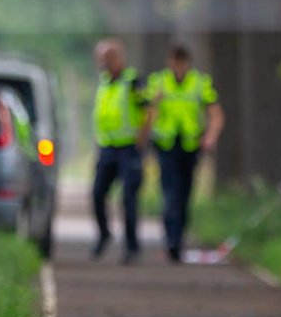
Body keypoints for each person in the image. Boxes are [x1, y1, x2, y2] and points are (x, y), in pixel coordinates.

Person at [147, 44, 224, 262]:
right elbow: (149, 112)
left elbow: (216, 113)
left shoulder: (200, 83)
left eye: (181, 63)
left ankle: (178, 238)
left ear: (187, 63)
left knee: (184, 193)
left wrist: (210, 136)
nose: (178, 67)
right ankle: (171, 239)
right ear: (169, 62)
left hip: (190, 145)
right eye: (174, 62)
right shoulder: (158, 82)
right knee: (170, 192)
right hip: (166, 145)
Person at [91, 38, 150, 263]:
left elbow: (148, 110)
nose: (102, 63)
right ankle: (104, 234)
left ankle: (132, 247)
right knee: (97, 194)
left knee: (128, 198)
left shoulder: (133, 80)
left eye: (106, 58)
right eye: (100, 58)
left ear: (118, 58)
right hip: (107, 148)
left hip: (129, 149)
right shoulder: (105, 81)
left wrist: (141, 140)